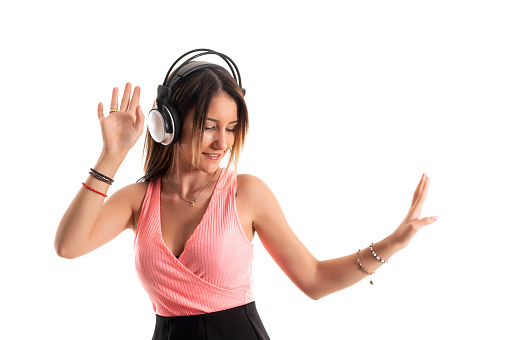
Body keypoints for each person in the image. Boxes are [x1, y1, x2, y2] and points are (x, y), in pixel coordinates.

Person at [54, 49, 438, 340]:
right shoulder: (138, 200)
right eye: (208, 126)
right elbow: (68, 246)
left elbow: (315, 279)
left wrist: (393, 244)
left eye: (232, 128)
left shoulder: (246, 193)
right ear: (167, 125)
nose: (222, 142)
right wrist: (111, 155)